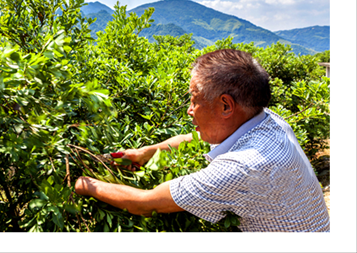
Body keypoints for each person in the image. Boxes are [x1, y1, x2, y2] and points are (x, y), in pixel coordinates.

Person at [74, 49, 330, 232]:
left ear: (226, 105)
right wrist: (147, 152)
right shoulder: (267, 119)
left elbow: (144, 203)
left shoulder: (242, 168)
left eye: (194, 100)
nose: (189, 110)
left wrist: (84, 184)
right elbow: (194, 137)